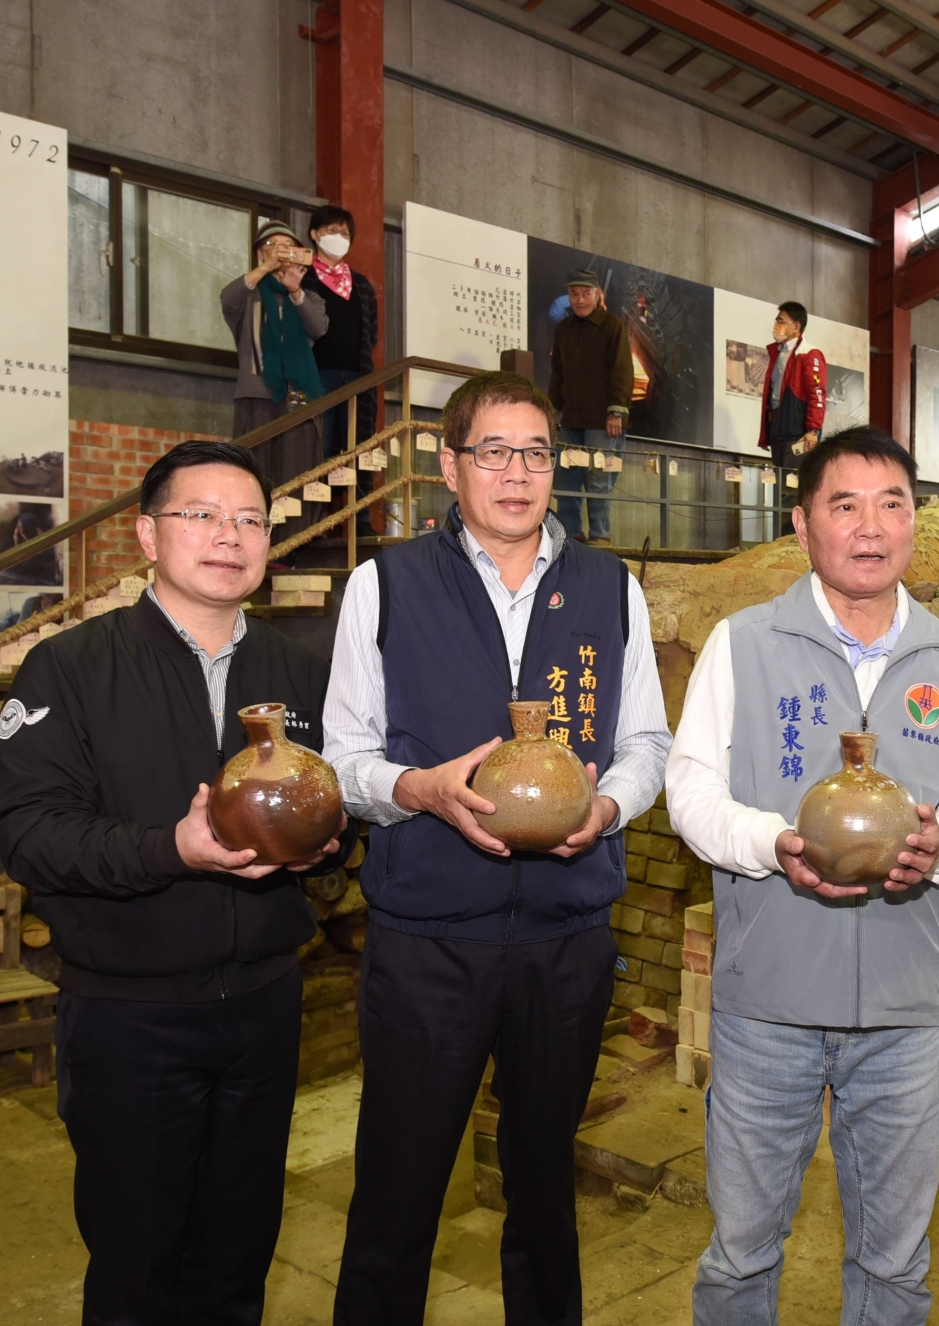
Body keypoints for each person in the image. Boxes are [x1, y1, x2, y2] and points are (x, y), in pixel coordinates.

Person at [325, 370, 671, 1324]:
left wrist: (606, 807)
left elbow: (647, 742)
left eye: (535, 453)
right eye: (493, 452)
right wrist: (419, 790)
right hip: (428, 940)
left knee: (546, 1191)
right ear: (450, 466)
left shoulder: (609, 587)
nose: (516, 473)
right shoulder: (385, 584)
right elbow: (343, 755)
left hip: (565, 940)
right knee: (397, 1190)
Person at [0, 439, 347, 1325]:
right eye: (202, 514)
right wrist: (168, 848)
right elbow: (27, 833)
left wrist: (326, 848)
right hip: (130, 1016)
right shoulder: (71, 668)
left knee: (239, 1258)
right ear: (148, 535)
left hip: (264, 1007)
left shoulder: (302, 672)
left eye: (251, 519)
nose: (230, 535)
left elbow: (341, 814)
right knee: (138, 1268)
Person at [666, 427, 939, 1325]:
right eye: (844, 504)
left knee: (895, 1262)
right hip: (768, 1004)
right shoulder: (741, 645)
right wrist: (770, 841)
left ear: (914, 522)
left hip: (903, 1010)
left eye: (892, 504)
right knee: (741, 1251)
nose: (870, 526)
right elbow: (690, 791)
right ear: (802, 523)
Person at [224, 220, 327, 536]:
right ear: (259, 252)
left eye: (288, 246)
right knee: (254, 472)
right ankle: (253, 537)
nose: (282, 252)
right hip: (256, 396)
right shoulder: (248, 297)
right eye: (273, 245)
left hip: (297, 398)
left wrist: (295, 290)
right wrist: (265, 268)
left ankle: (293, 544)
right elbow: (228, 298)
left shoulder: (309, 297)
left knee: (296, 471)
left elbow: (318, 327)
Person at [305, 203, 381, 531]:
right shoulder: (303, 278)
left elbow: (372, 332)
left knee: (359, 447)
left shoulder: (361, 284)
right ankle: (313, 521)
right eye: (332, 230)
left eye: (345, 233)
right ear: (314, 234)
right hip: (317, 376)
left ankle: (360, 517)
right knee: (318, 448)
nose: (339, 237)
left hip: (357, 378)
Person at [546, 269, 634, 546]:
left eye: (586, 293)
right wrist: (550, 412)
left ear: (598, 295)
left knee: (599, 479)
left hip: (603, 421)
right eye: (574, 294)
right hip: (570, 419)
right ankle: (571, 536)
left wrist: (616, 411)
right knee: (565, 480)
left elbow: (622, 371)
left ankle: (600, 537)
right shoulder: (563, 330)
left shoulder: (613, 326)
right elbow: (557, 375)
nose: (580, 299)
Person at [756, 300, 827, 468]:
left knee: (793, 481)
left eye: (781, 321)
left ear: (796, 327)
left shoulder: (810, 354)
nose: (776, 325)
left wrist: (813, 430)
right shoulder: (778, 353)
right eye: (776, 321)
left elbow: (817, 393)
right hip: (777, 425)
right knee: (780, 480)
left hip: (798, 431)